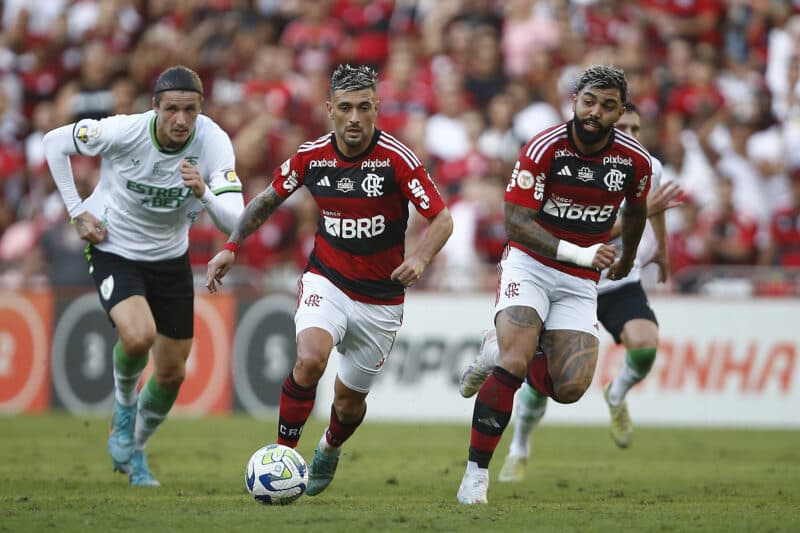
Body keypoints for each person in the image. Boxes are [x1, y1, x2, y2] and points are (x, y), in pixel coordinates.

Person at [206, 64, 453, 497]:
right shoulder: (311, 156)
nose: (354, 118)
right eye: (345, 108)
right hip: (328, 279)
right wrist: (231, 245)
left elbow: (442, 219)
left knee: (348, 401)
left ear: (376, 107)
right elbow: (267, 200)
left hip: (381, 299)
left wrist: (419, 257)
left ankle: (329, 447)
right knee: (310, 360)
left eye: (363, 107)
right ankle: (284, 457)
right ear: (329, 110)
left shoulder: (398, 159)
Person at [455, 65, 653, 505]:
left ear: (620, 110)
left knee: (569, 389)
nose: (596, 112)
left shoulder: (633, 161)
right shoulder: (545, 147)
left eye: (608, 105)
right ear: (574, 101)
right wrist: (583, 253)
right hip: (531, 265)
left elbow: (637, 212)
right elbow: (515, 223)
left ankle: (500, 348)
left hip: (580, 281)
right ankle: (475, 475)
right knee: (513, 362)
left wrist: (627, 257)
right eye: (589, 101)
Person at [42, 65, 245, 486]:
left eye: (190, 110)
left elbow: (236, 222)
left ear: (200, 109)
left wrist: (204, 193)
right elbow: (52, 142)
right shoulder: (123, 131)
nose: (180, 120)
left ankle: (135, 450)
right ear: (155, 107)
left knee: (172, 374)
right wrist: (77, 211)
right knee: (138, 335)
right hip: (115, 246)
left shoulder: (214, 143)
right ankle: (122, 409)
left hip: (171, 257)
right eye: (171, 109)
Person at [488, 103, 683, 484]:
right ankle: (520, 448)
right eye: (622, 124)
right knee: (542, 381)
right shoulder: (573, 161)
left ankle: (617, 393)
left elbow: (648, 209)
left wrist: (660, 246)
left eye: (636, 127)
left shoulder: (646, 165)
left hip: (618, 279)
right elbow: (583, 232)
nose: (628, 132)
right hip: (569, 276)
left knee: (645, 344)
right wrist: (632, 222)